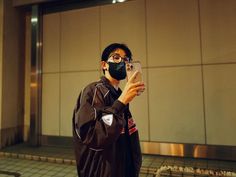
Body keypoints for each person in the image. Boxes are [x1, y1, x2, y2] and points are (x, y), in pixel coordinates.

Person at [72, 43, 145, 177]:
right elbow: (92, 135)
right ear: (104, 65)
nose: (122, 62)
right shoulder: (93, 91)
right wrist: (121, 102)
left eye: (126, 59)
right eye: (116, 58)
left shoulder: (120, 95)